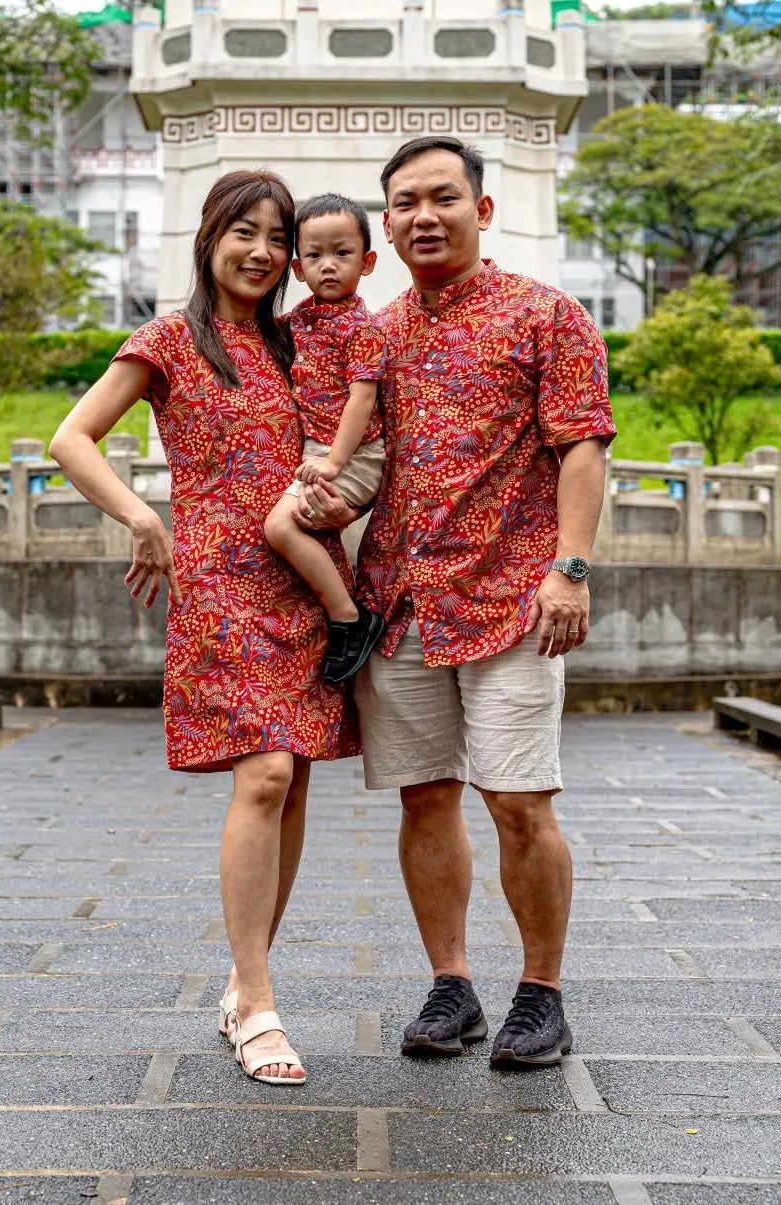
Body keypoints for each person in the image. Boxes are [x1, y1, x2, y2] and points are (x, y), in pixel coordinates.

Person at [301, 135, 614, 1070]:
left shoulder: (547, 317)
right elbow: (367, 462)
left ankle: (541, 992)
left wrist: (571, 568)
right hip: (399, 601)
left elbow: (583, 449)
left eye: (442, 198)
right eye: (403, 203)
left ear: (481, 210)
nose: (422, 216)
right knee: (425, 799)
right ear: (384, 227)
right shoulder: (378, 333)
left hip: (514, 599)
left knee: (519, 800)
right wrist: (324, 498)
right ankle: (451, 982)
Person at [51, 170, 357, 1088]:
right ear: (209, 237)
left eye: (278, 237)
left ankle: (241, 978)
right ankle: (258, 1000)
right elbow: (70, 438)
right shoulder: (170, 340)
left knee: (292, 779)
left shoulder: (299, 340)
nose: (263, 252)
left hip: (306, 579)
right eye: (244, 233)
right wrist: (143, 519)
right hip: (220, 581)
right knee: (263, 770)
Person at [263, 193, 390, 684]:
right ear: (297, 268)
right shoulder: (300, 321)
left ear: (368, 261)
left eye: (342, 253)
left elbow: (361, 401)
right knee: (284, 527)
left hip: (356, 454)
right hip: (318, 452)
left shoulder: (362, 328)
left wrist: (336, 461)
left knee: (281, 528)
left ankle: (350, 618)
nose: (328, 266)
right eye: (314, 256)